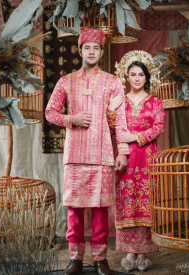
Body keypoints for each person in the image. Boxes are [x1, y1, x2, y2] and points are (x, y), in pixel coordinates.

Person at [45, 28, 130, 275]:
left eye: (96, 48)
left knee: (101, 211)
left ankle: (101, 261)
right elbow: (50, 112)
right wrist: (72, 119)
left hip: (103, 154)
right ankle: (75, 261)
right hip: (75, 156)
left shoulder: (113, 82)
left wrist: (122, 151)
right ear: (80, 50)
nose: (91, 52)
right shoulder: (66, 81)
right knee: (74, 210)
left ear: (102, 52)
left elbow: (119, 119)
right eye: (87, 48)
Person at [107, 50, 165, 272]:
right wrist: (111, 110)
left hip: (148, 158)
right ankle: (130, 250)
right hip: (126, 158)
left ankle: (143, 251)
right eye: (133, 74)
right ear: (127, 77)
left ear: (146, 77)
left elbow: (159, 127)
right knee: (127, 202)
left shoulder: (155, 101)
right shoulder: (120, 102)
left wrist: (136, 137)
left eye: (141, 74)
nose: (138, 78)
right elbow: (113, 126)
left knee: (146, 202)